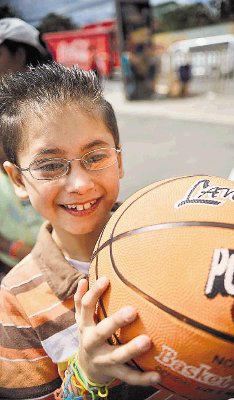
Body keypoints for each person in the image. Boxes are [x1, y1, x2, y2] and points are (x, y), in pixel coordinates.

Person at [0, 62, 161, 400]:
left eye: (95, 156)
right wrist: (86, 376)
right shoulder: (14, 300)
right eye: (50, 165)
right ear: (17, 180)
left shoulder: (167, 236)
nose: (80, 183)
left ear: (119, 159)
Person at [0, 17, 52, 278]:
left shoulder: (54, 106)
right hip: (12, 261)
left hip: (59, 248)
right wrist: (11, 247)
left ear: (20, 53)